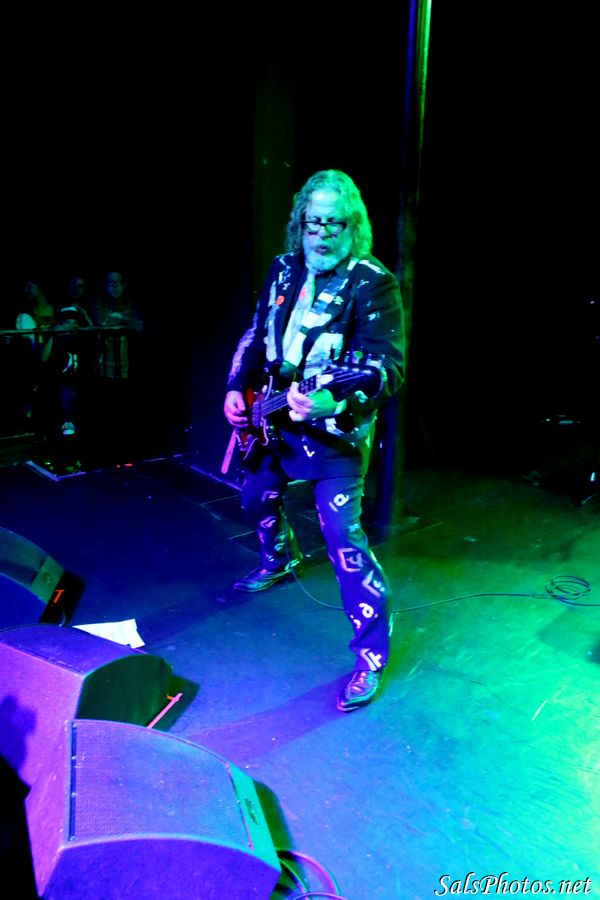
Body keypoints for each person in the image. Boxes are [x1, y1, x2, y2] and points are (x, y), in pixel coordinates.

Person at [224, 169, 405, 712]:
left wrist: (338, 401)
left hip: (335, 437)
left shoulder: (373, 283)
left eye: (334, 224)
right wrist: (236, 387)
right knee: (254, 500)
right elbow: (256, 334)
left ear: (354, 226)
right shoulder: (283, 269)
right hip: (273, 417)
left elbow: (388, 367)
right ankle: (279, 558)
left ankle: (370, 654)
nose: (322, 234)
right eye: (313, 223)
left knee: (342, 538)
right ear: (299, 224)